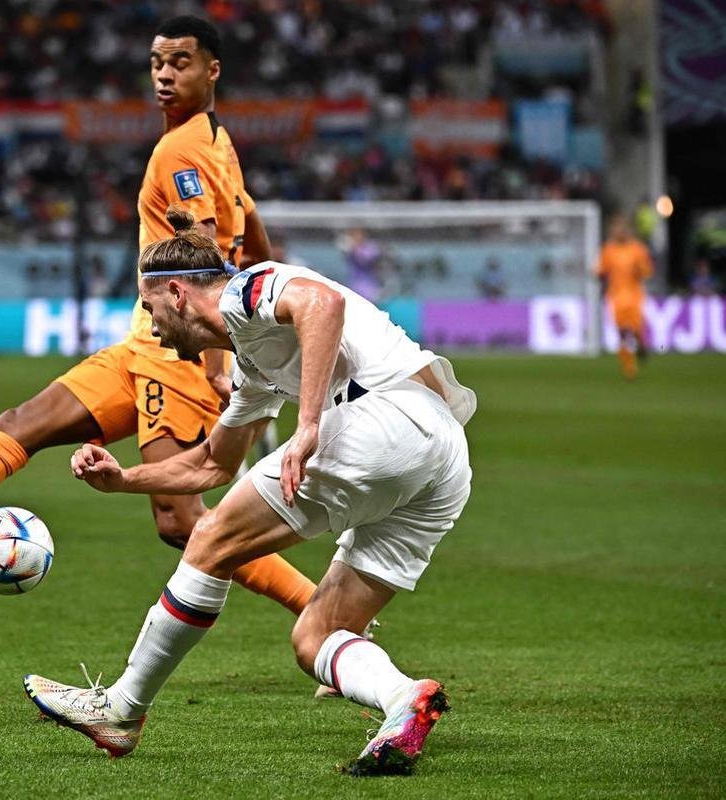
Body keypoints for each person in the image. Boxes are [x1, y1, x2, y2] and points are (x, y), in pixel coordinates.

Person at [0, 17, 317, 619]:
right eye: (157, 62)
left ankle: (322, 608)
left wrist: (213, 359)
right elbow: (252, 242)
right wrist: (250, 310)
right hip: (142, 345)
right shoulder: (215, 143)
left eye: (181, 61)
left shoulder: (181, 150)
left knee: (181, 523)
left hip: (177, 356)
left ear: (213, 70)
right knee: (19, 424)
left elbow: (201, 261)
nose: (164, 74)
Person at [24, 208, 476, 776]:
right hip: (443, 457)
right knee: (317, 637)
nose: (151, 327)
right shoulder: (253, 361)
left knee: (210, 538)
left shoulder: (247, 290)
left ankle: (121, 709)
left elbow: (323, 305)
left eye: (149, 308)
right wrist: (123, 480)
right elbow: (214, 463)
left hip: (385, 422)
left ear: (178, 294)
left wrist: (307, 423)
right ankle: (403, 700)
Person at [596, 214, 653, 380]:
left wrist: (639, 270)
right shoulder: (608, 250)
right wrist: (598, 274)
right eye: (616, 229)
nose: (619, 232)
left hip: (635, 295)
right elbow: (601, 271)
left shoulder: (637, 249)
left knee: (634, 329)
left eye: (622, 228)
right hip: (616, 296)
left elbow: (647, 271)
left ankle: (641, 345)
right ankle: (629, 367)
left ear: (628, 230)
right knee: (622, 332)